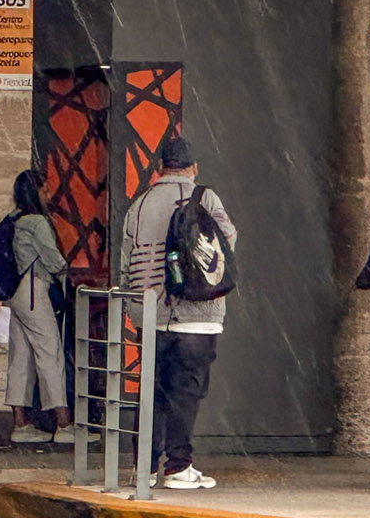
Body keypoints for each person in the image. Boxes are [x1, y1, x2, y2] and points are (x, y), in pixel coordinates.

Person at [121, 138, 236, 489]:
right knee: (186, 390)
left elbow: (126, 262)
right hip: (198, 312)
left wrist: (136, 309)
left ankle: (143, 466)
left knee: (152, 391)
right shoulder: (205, 197)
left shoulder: (138, 205)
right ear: (193, 167)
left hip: (151, 313)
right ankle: (177, 466)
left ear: (159, 168)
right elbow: (227, 240)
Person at [6, 170, 75, 445]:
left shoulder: (11, 220)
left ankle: (20, 424)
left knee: (20, 357)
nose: (48, 195)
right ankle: (64, 423)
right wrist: (69, 274)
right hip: (35, 292)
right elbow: (53, 260)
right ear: (35, 192)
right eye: (45, 190)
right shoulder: (37, 223)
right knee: (50, 354)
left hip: (15, 295)